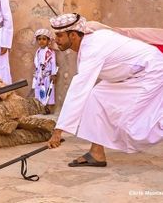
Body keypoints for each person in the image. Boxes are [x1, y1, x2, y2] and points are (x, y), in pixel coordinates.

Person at [47, 13, 163, 167]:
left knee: (133, 123)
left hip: (151, 69)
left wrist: (58, 131)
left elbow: (78, 89)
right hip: (132, 74)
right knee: (96, 96)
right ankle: (96, 153)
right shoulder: (89, 40)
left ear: (73, 35)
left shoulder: (92, 49)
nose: (56, 40)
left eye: (60, 35)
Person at [32, 29, 57, 112]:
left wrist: (53, 74)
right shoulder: (38, 51)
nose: (41, 41)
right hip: (39, 76)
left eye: (44, 39)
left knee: (47, 91)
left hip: (47, 76)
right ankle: (41, 107)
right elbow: (37, 63)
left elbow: (53, 63)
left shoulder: (50, 52)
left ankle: (46, 107)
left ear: (48, 40)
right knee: (39, 91)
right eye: (39, 39)